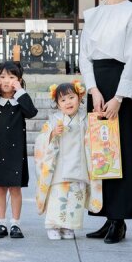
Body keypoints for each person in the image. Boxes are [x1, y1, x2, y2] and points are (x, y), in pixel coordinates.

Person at [78, 0, 132, 243]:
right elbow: (84, 57)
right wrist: (92, 89)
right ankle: (105, 215)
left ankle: (120, 218)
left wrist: (119, 96)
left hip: (121, 85)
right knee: (101, 152)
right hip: (97, 85)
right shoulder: (92, 14)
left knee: (123, 151)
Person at [33, 81, 102, 240]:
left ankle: (68, 226)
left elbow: (93, 138)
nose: (68, 102)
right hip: (59, 168)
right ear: (57, 104)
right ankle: (53, 225)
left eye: (71, 97)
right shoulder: (54, 120)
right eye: (63, 100)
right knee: (58, 197)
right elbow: (41, 141)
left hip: (79, 166)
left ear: (79, 98)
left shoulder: (85, 118)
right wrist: (52, 134)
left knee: (75, 198)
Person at [0, 61, 38, 239]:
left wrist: (19, 91)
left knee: (15, 189)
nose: (6, 81)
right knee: (0, 188)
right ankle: (1, 222)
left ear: (19, 80)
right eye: (2, 77)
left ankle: (15, 224)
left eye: (12, 77)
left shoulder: (20, 101)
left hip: (15, 152)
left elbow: (32, 112)